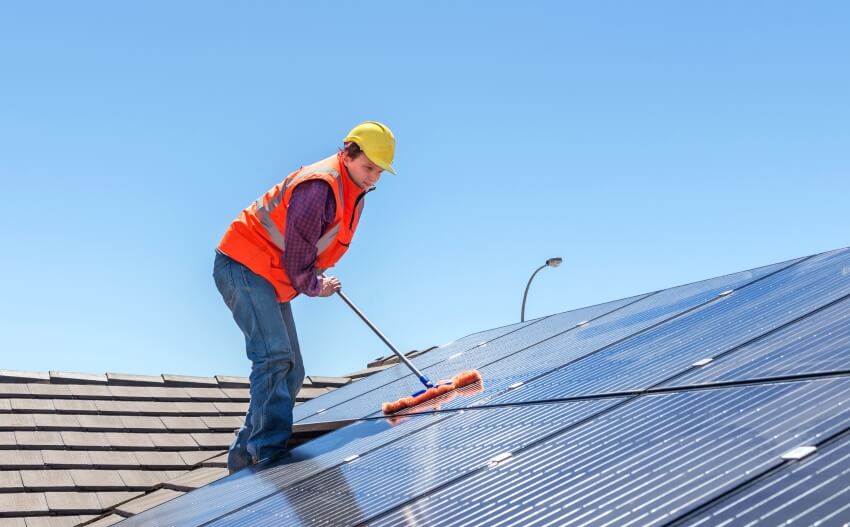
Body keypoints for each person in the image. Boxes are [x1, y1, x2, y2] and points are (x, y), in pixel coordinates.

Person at [212, 121, 396, 473]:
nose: (373, 176)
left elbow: (306, 247)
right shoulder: (320, 187)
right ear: (348, 154)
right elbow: (296, 257)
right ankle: (266, 454)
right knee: (274, 357)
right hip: (244, 264)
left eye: (379, 171)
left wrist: (314, 274)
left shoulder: (350, 188)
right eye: (368, 167)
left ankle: (243, 458)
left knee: (292, 369)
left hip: (268, 273)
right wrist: (315, 285)